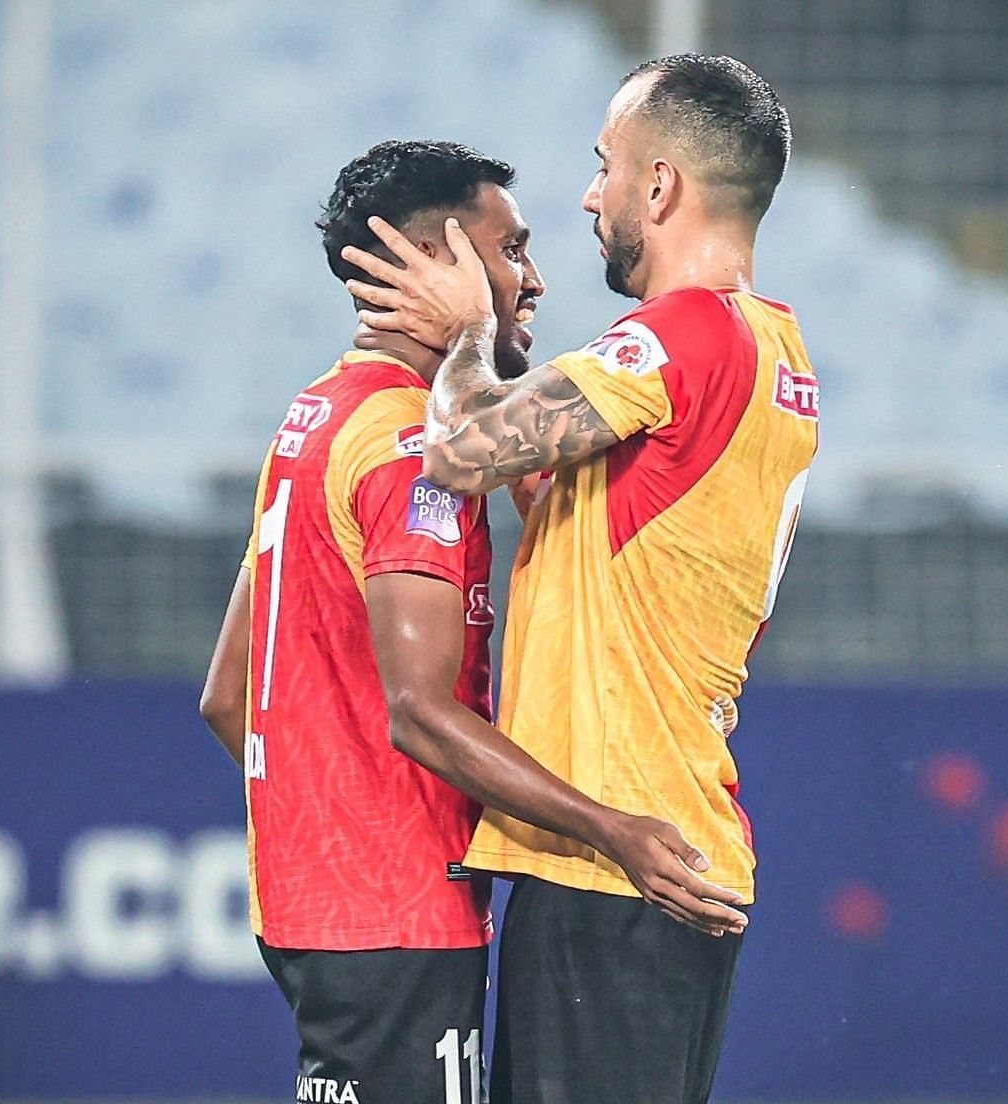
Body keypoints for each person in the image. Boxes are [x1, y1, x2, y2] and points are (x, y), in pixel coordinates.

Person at [198, 139, 745, 1104]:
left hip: (313, 906)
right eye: (511, 251)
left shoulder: (316, 418)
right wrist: (609, 828)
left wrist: (331, 823)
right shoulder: (417, 448)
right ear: (440, 265)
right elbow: (418, 713)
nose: (533, 282)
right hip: (401, 912)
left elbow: (230, 694)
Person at [342, 56, 817, 1104]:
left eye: (604, 167)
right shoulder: (769, 349)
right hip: (654, 851)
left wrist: (467, 328)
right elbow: (566, 505)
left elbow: (459, 454)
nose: (591, 196)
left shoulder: (680, 334)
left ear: (660, 189)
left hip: (624, 857)